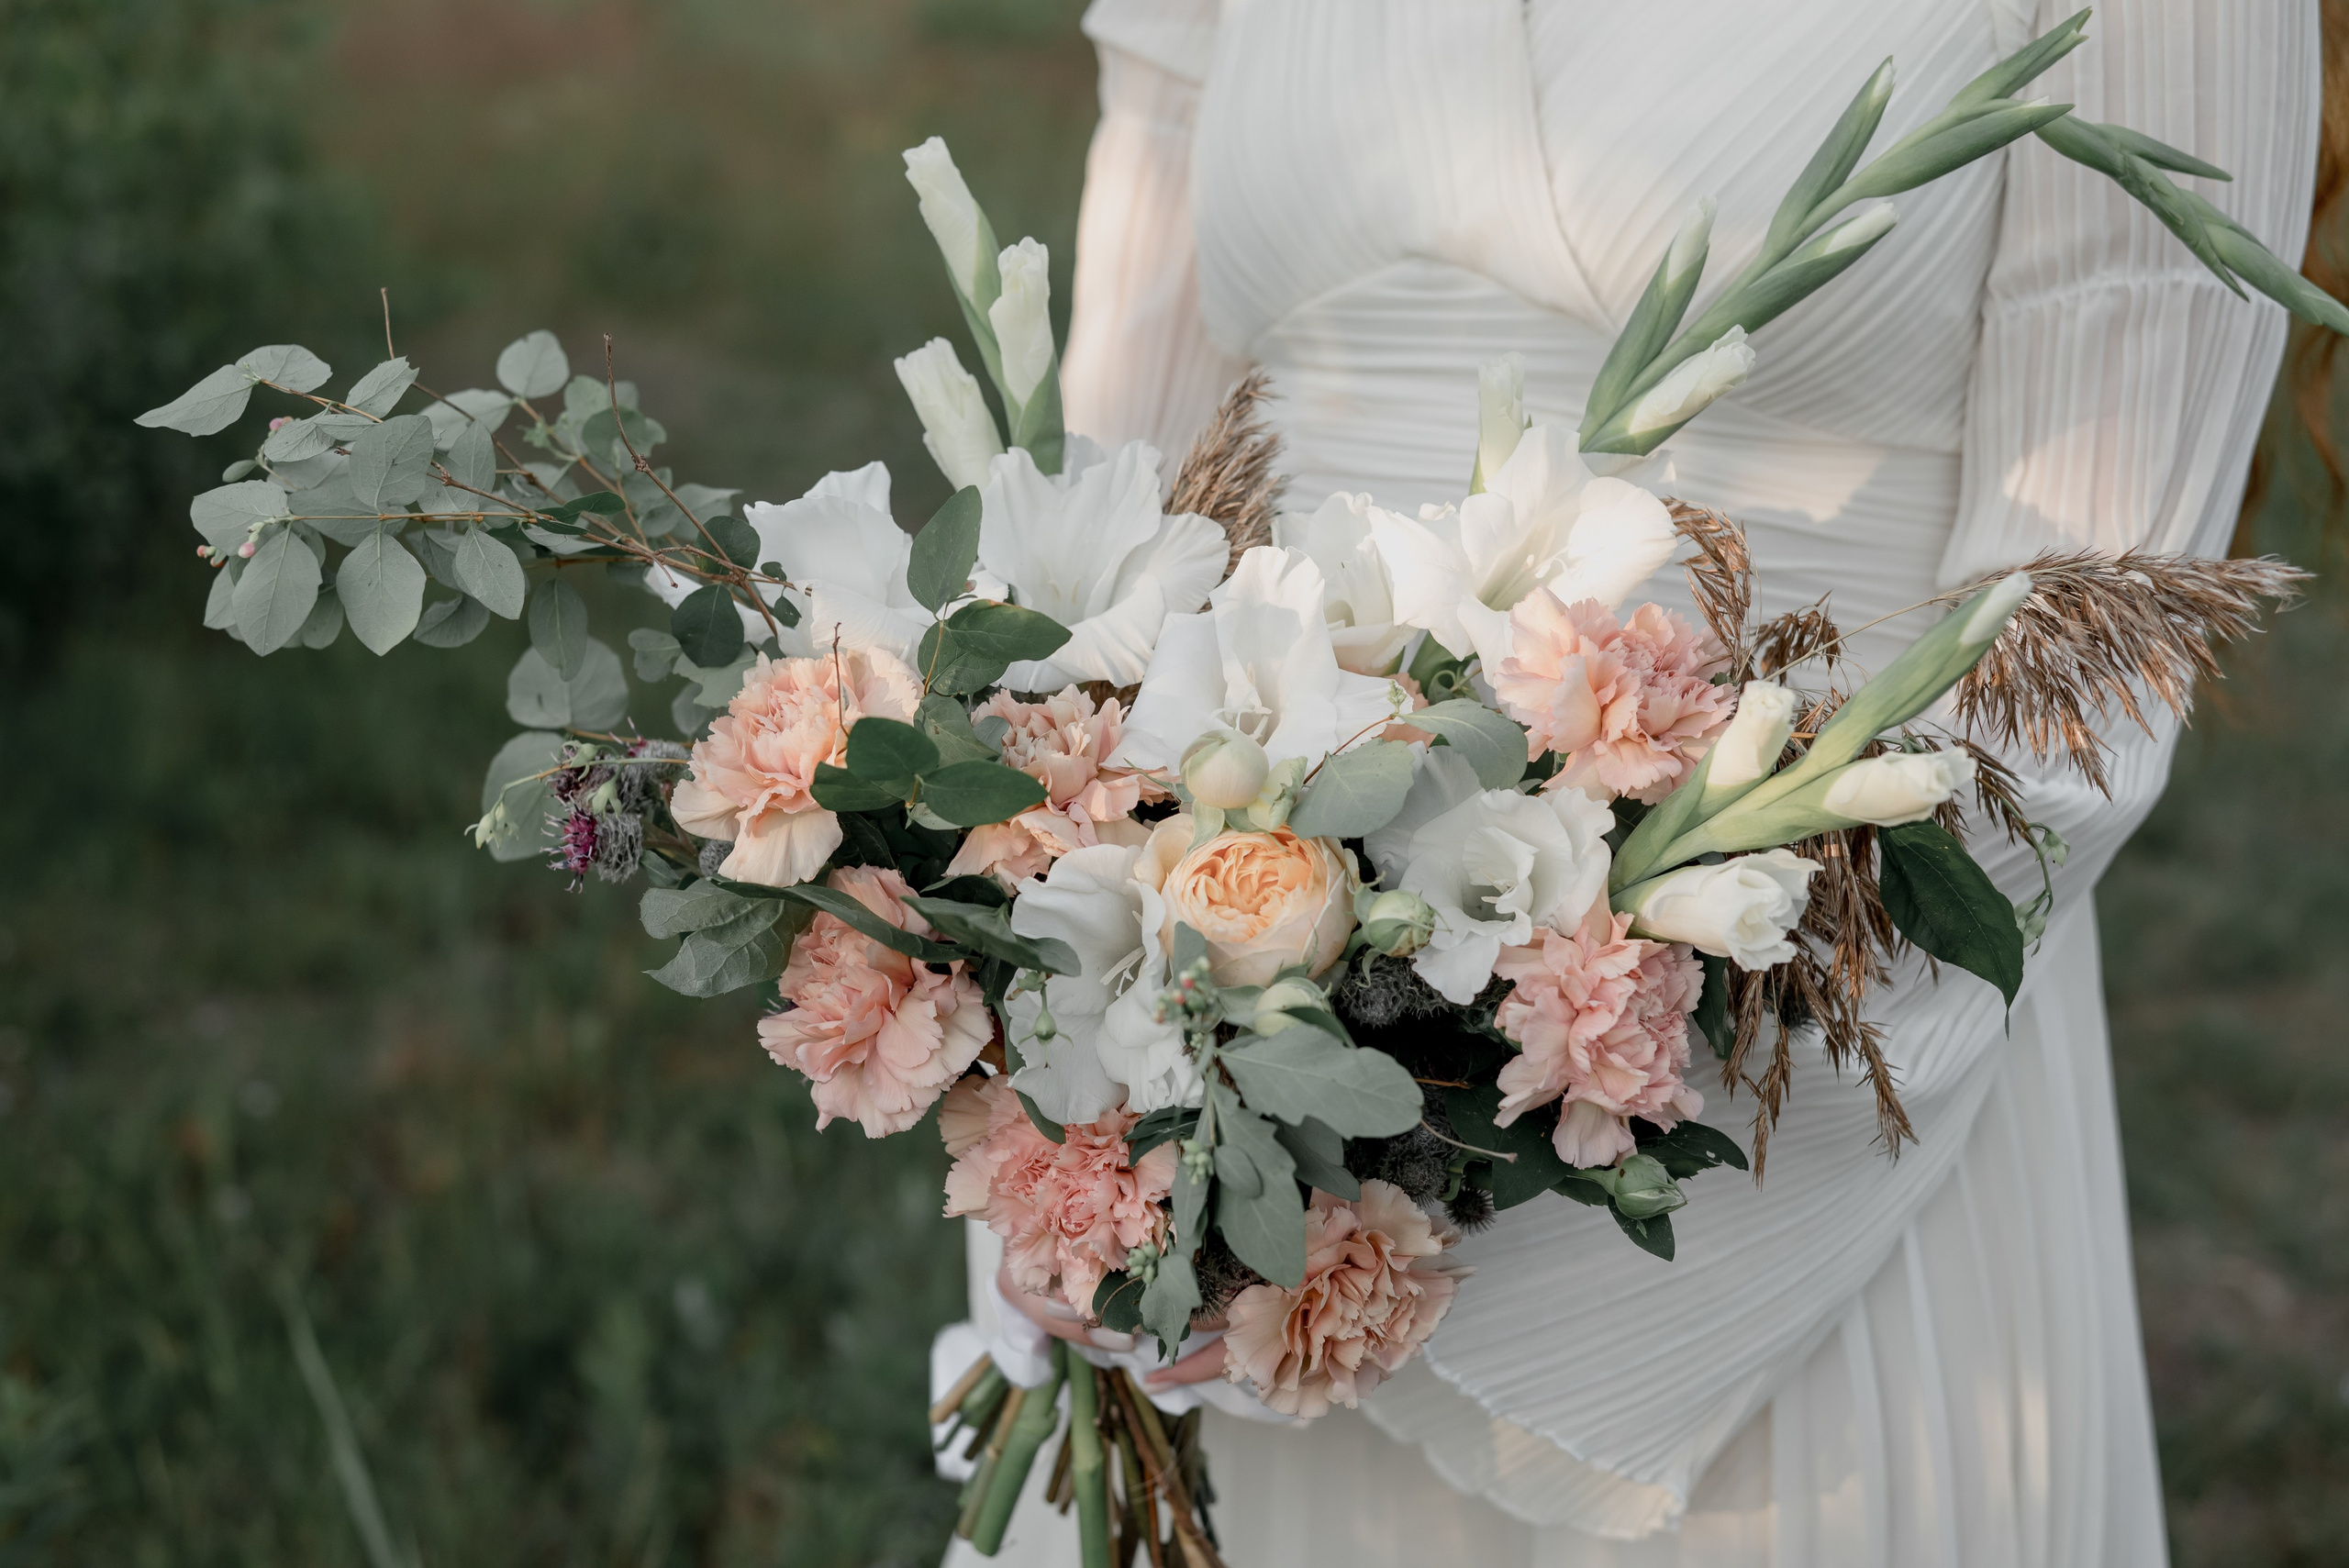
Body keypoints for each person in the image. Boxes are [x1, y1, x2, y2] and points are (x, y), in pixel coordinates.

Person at [951, 1, 2320, 1561]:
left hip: (1759, 1142)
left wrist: (1441, 1130)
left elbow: (2071, 677)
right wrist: (1074, 1089)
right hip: (1215, 1098)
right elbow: (1111, 526)